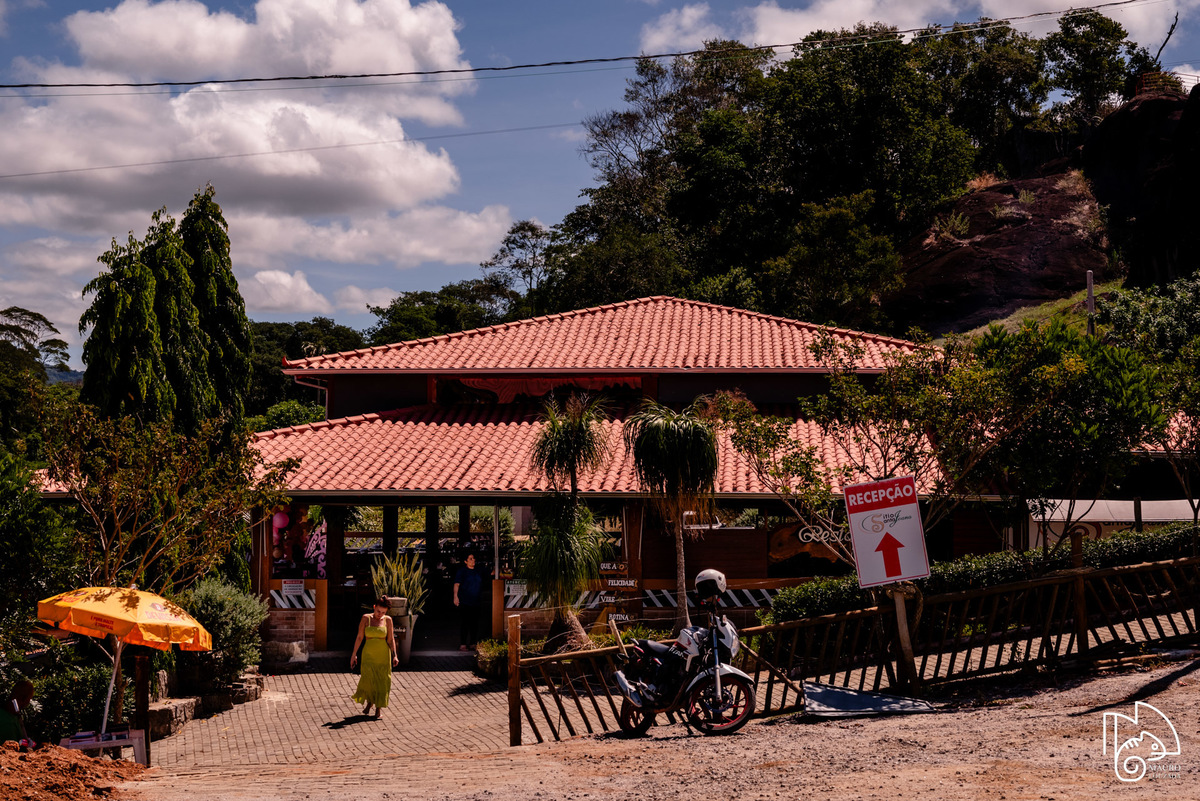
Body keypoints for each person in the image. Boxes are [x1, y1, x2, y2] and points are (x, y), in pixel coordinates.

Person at [349, 597, 398, 719]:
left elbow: (390, 639)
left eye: (383, 612)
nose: (380, 614)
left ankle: (378, 708)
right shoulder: (366, 618)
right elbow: (359, 637)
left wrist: (395, 655)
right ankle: (369, 702)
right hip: (368, 654)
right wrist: (354, 654)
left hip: (383, 655)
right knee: (368, 679)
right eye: (378, 611)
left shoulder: (388, 620)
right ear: (374, 607)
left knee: (382, 681)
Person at [453, 552, 482, 652]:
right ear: (465, 561)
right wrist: (455, 597)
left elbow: (491, 573)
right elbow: (456, 584)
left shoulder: (478, 571)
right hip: (465, 601)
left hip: (476, 601)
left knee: (474, 623)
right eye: (470, 559)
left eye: (473, 558)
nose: (473, 560)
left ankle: (473, 643)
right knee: (465, 623)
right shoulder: (462, 572)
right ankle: (463, 644)